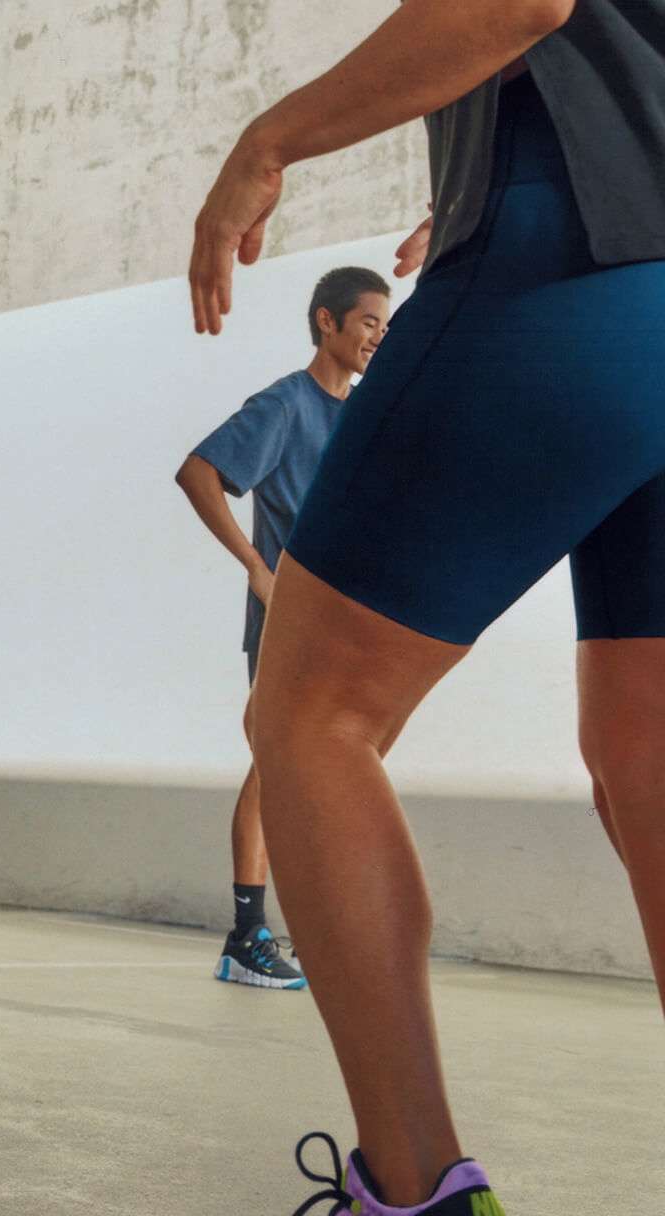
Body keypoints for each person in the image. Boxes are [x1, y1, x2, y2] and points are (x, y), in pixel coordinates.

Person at [190, 1, 665, 1210]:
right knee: (648, 751)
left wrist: (272, 140)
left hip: (566, 265)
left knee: (308, 716)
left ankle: (416, 1189)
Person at [176, 267, 390, 992]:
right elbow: (199, 471)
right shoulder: (286, 404)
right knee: (275, 766)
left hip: (345, 625)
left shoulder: (362, 414)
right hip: (288, 621)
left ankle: (302, 927)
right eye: (368, 323)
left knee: (321, 771)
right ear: (328, 323)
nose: (376, 338)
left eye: (384, 327)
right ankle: (245, 936)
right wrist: (254, 566)